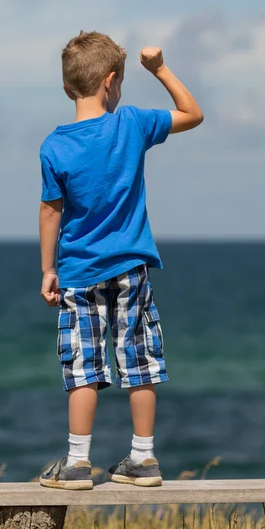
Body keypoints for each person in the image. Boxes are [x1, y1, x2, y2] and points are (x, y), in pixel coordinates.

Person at [38, 31, 203, 490]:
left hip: (77, 272)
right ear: (111, 81)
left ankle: (76, 464)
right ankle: (144, 458)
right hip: (131, 268)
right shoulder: (130, 123)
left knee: (83, 366)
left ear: (69, 85)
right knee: (139, 360)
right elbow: (193, 113)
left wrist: (48, 269)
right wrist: (161, 69)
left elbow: (51, 211)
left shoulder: (54, 146)